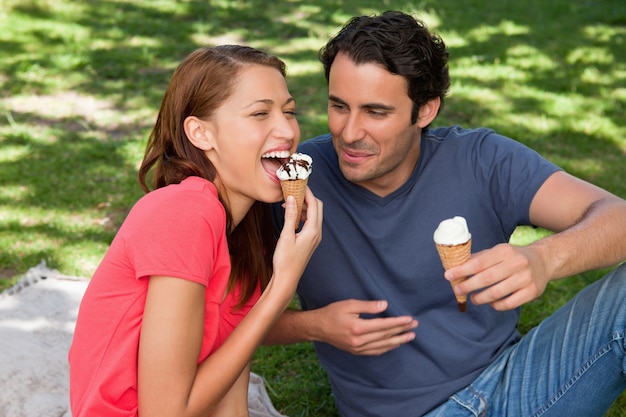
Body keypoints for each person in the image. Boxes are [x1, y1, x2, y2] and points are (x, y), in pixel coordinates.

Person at [266, 10, 626, 417]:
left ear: (425, 111)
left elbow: (618, 217)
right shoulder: (295, 178)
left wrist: (543, 258)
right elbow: (214, 316)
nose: (349, 133)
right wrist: (313, 326)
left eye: (376, 112)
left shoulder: (481, 159)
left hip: (516, 384)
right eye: (338, 106)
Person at [69, 45, 323, 417]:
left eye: (289, 111)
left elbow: (230, 385)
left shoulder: (246, 228)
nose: (287, 129)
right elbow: (165, 412)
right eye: (259, 114)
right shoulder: (184, 213)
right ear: (201, 133)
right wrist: (281, 287)